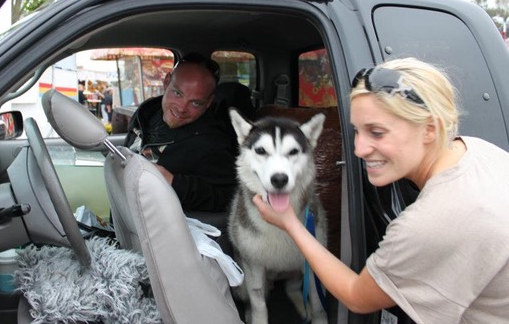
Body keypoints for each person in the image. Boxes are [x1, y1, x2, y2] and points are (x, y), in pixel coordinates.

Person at [253, 57, 509, 323]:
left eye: (377, 132)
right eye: (357, 131)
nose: (359, 149)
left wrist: (290, 224)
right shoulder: (478, 149)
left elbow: (356, 296)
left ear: (430, 129)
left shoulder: (431, 223)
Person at [125, 52, 237, 212]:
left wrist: (174, 183)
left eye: (196, 103)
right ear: (166, 82)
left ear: (208, 103)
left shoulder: (212, 142)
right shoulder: (146, 114)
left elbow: (229, 197)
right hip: (125, 214)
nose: (182, 108)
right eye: (177, 93)